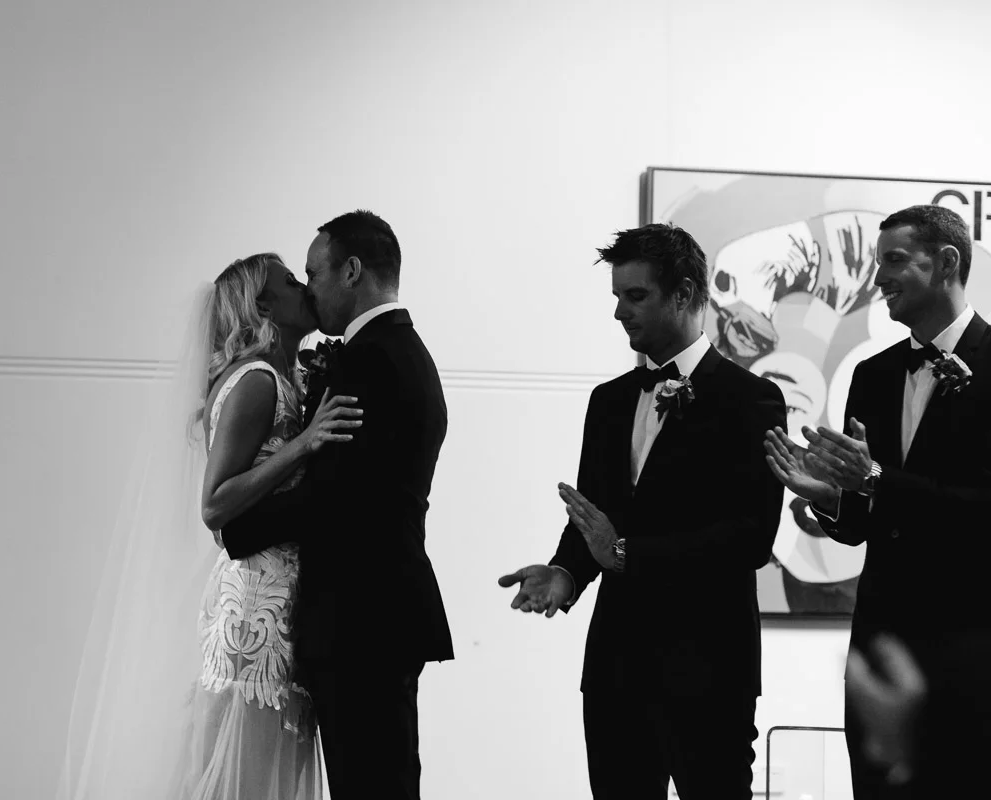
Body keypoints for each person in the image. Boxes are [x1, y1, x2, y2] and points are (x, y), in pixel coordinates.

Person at [56, 253, 363, 800]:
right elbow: (215, 504)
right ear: (263, 306)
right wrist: (304, 444)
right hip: (254, 615)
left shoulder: (282, 379)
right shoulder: (256, 381)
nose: (304, 287)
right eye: (290, 282)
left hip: (280, 605)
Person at [499, 223, 786, 799]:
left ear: (684, 295)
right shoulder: (606, 402)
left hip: (708, 668)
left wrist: (627, 553)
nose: (619, 313)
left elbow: (750, 537)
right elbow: (592, 518)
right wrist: (566, 572)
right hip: (616, 669)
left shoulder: (752, 400)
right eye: (617, 297)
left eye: (635, 296)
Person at [220, 210, 453, 800]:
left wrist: (239, 530)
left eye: (313, 274)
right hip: (369, 616)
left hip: (361, 621)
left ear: (351, 271)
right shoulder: (391, 349)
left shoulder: (372, 360)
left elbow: (334, 496)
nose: (309, 288)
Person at [765, 204, 991, 797]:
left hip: (972, 645)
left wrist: (874, 480)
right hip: (880, 637)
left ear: (946, 263)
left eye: (894, 260)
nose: (879, 277)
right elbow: (866, 521)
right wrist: (831, 499)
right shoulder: (871, 374)